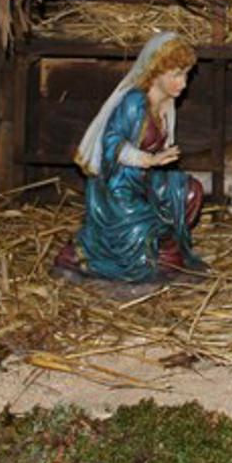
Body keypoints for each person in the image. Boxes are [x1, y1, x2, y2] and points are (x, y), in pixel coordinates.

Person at [53, 31, 206, 288]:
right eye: (176, 75)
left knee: (190, 192)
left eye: (186, 75)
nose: (183, 83)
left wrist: (158, 164)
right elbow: (112, 143)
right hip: (118, 185)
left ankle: (164, 248)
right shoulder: (134, 102)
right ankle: (84, 254)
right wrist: (148, 159)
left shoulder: (166, 103)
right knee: (142, 233)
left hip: (148, 181)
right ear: (156, 72)